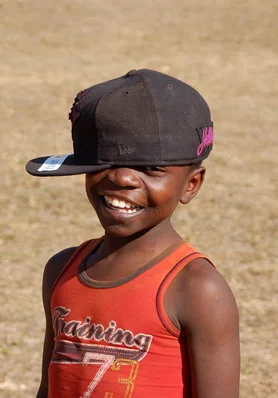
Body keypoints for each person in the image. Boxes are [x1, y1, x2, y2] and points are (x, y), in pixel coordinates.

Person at [26, 69, 240, 398]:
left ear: (191, 184)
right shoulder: (61, 270)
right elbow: (49, 388)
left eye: (150, 168)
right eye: (103, 162)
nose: (122, 179)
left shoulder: (197, 289)